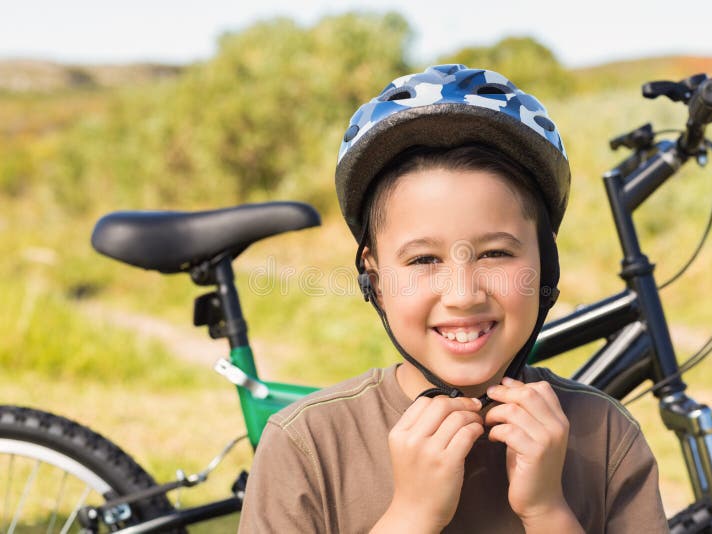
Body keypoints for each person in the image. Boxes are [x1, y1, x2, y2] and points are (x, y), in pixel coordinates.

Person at [238, 64, 668, 533]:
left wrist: (547, 510)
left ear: (545, 264)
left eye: (496, 253)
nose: (463, 295)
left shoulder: (605, 438)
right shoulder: (306, 448)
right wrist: (411, 515)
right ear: (375, 278)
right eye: (424, 260)